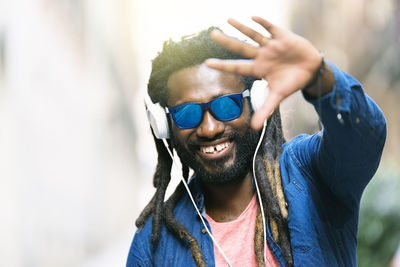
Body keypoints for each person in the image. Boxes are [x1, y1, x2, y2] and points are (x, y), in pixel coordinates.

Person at [127, 16, 386, 267]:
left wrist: (320, 78)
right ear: (164, 125)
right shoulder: (153, 245)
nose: (209, 128)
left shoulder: (312, 174)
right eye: (187, 113)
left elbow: (364, 140)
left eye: (227, 105)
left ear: (256, 102)